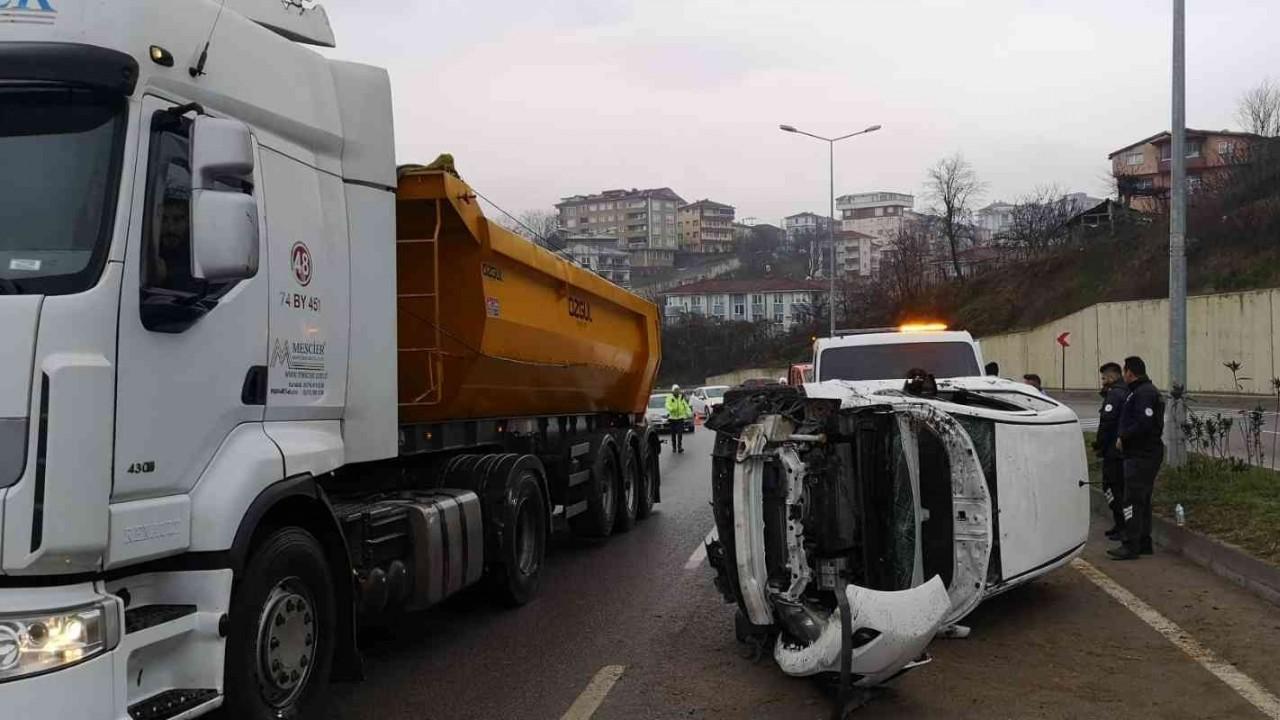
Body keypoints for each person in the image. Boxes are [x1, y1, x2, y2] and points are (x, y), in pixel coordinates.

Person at [1108, 356, 1165, 561]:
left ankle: (1130, 544)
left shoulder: (1143, 393)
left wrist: (1124, 437)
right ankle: (1142, 542)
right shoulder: (1141, 392)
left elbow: (1145, 423)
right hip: (1142, 454)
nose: (1124, 376)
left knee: (1131, 500)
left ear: (1130, 373)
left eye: (1124, 372)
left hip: (1142, 454)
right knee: (1141, 500)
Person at [1094, 362, 1129, 539]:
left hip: (1113, 452)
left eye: (1104, 378)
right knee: (1116, 488)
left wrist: (1099, 445)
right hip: (1118, 450)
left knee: (1113, 488)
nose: (1102, 381)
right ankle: (1120, 524)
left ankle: (1123, 527)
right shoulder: (1122, 391)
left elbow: (1107, 423)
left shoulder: (1115, 394)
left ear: (1112, 376)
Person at [666, 384, 693, 454]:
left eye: (678, 390)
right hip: (672, 419)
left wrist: (689, 413)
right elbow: (667, 405)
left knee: (680, 433)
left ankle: (679, 447)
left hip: (680, 418)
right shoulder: (670, 398)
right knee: (673, 434)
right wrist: (671, 409)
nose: (677, 391)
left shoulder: (681, 398)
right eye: (675, 390)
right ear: (673, 391)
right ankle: (674, 447)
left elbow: (686, 406)